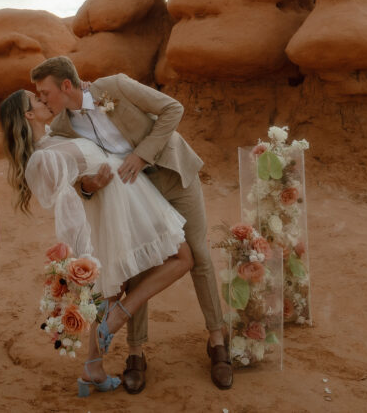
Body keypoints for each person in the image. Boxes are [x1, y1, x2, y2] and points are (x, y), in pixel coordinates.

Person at [31, 56, 233, 392]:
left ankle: (217, 341)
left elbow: (173, 109)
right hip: (135, 194)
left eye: (45, 92)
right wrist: (89, 186)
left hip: (172, 174)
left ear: (66, 86)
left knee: (198, 254)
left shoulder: (116, 86)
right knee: (139, 263)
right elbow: (77, 183)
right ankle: (136, 354)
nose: (42, 99)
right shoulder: (63, 127)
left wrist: (141, 155)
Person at [0, 89, 193, 398]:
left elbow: (82, 167)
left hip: (126, 198)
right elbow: (65, 198)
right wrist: (83, 236)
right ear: (28, 115)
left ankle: (93, 366)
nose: (43, 100)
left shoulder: (53, 135)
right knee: (182, 258)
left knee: (114, 288)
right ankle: (121, 316)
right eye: (36, 99)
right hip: (115, 207)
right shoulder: (42, 157)